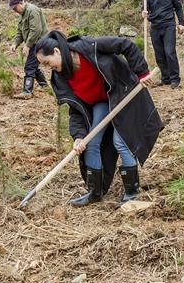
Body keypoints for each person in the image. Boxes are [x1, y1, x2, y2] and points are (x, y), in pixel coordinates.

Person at [35, 31, 163, 206]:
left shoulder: (89, 47)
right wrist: (79, 136)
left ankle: (132, 192)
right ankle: (95, 192)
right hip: (100, 103)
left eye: (47, 62)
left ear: (57, 52)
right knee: (91, 142)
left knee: (121, 140)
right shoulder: (60, 79)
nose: (48, 67)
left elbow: (126, 45)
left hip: (122, 92)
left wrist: (141, 73)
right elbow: (76, 110)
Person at [143, 0, 184, 88]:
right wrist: (144, 13)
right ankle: (165, 78)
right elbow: (144, 10)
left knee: (169, 52)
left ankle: (175, 79)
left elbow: (178, 8)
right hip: (155, 27)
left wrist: (181, 23)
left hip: (169, 26)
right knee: (159, 54)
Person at [9, 0, 49, 98]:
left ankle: (27, 92)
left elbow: (36, 30)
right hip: (34, 43)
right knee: (33, 65)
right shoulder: (22, 14)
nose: (14, 11)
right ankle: (44, 85)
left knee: (29, 66)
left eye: (15, 8)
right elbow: (20, 32)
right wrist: (15, 44)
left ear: (21, 3)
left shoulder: (32, 10)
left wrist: (27, 45)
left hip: (39, 42)